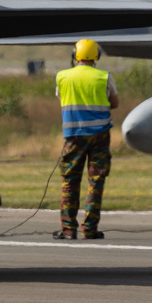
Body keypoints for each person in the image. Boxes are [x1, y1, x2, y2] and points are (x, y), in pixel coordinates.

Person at [53, 39, 119, 240]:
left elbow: (61, 98)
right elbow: (114, 103)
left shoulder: (63, 76)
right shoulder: (105, 77)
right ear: (96, 55)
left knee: (70, 181)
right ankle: (89, 228)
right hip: (100, 135)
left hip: (74, 136)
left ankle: (68, 229)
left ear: (75, 55)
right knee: (96, 181)